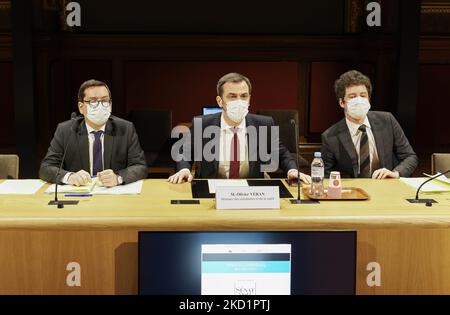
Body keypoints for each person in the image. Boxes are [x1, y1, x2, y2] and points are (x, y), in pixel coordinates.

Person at [168, 72, 311, 184]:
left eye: (244, 96)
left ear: (249, 98)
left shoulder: (263, 124)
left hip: (251, 189)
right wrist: (185, 169)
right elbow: (184, 153)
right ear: (220, 101)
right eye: (232, 96)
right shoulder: (202, 124)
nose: (239, 101)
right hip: (212, 187)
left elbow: (281, 153)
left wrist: (292, 170)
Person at [39, 79, 147, 187]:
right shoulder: (66, 130)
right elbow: (46, 168)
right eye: (93, 101)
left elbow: (140, 167)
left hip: (113, 195)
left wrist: (118, 177)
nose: (100, 106)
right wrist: (69, 177)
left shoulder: (125, 128)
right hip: (80, 195)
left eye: (105, 101)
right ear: (81, 107)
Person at [321, 70, 418, 179]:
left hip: (386, 186)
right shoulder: (330, 136)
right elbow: (325, 175)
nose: (359, 100)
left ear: (369, 100)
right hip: (353, 191)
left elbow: (410, 157)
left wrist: (396, 173)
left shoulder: (387, 120)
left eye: (363, 96)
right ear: (342, 102)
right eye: (352, 97)